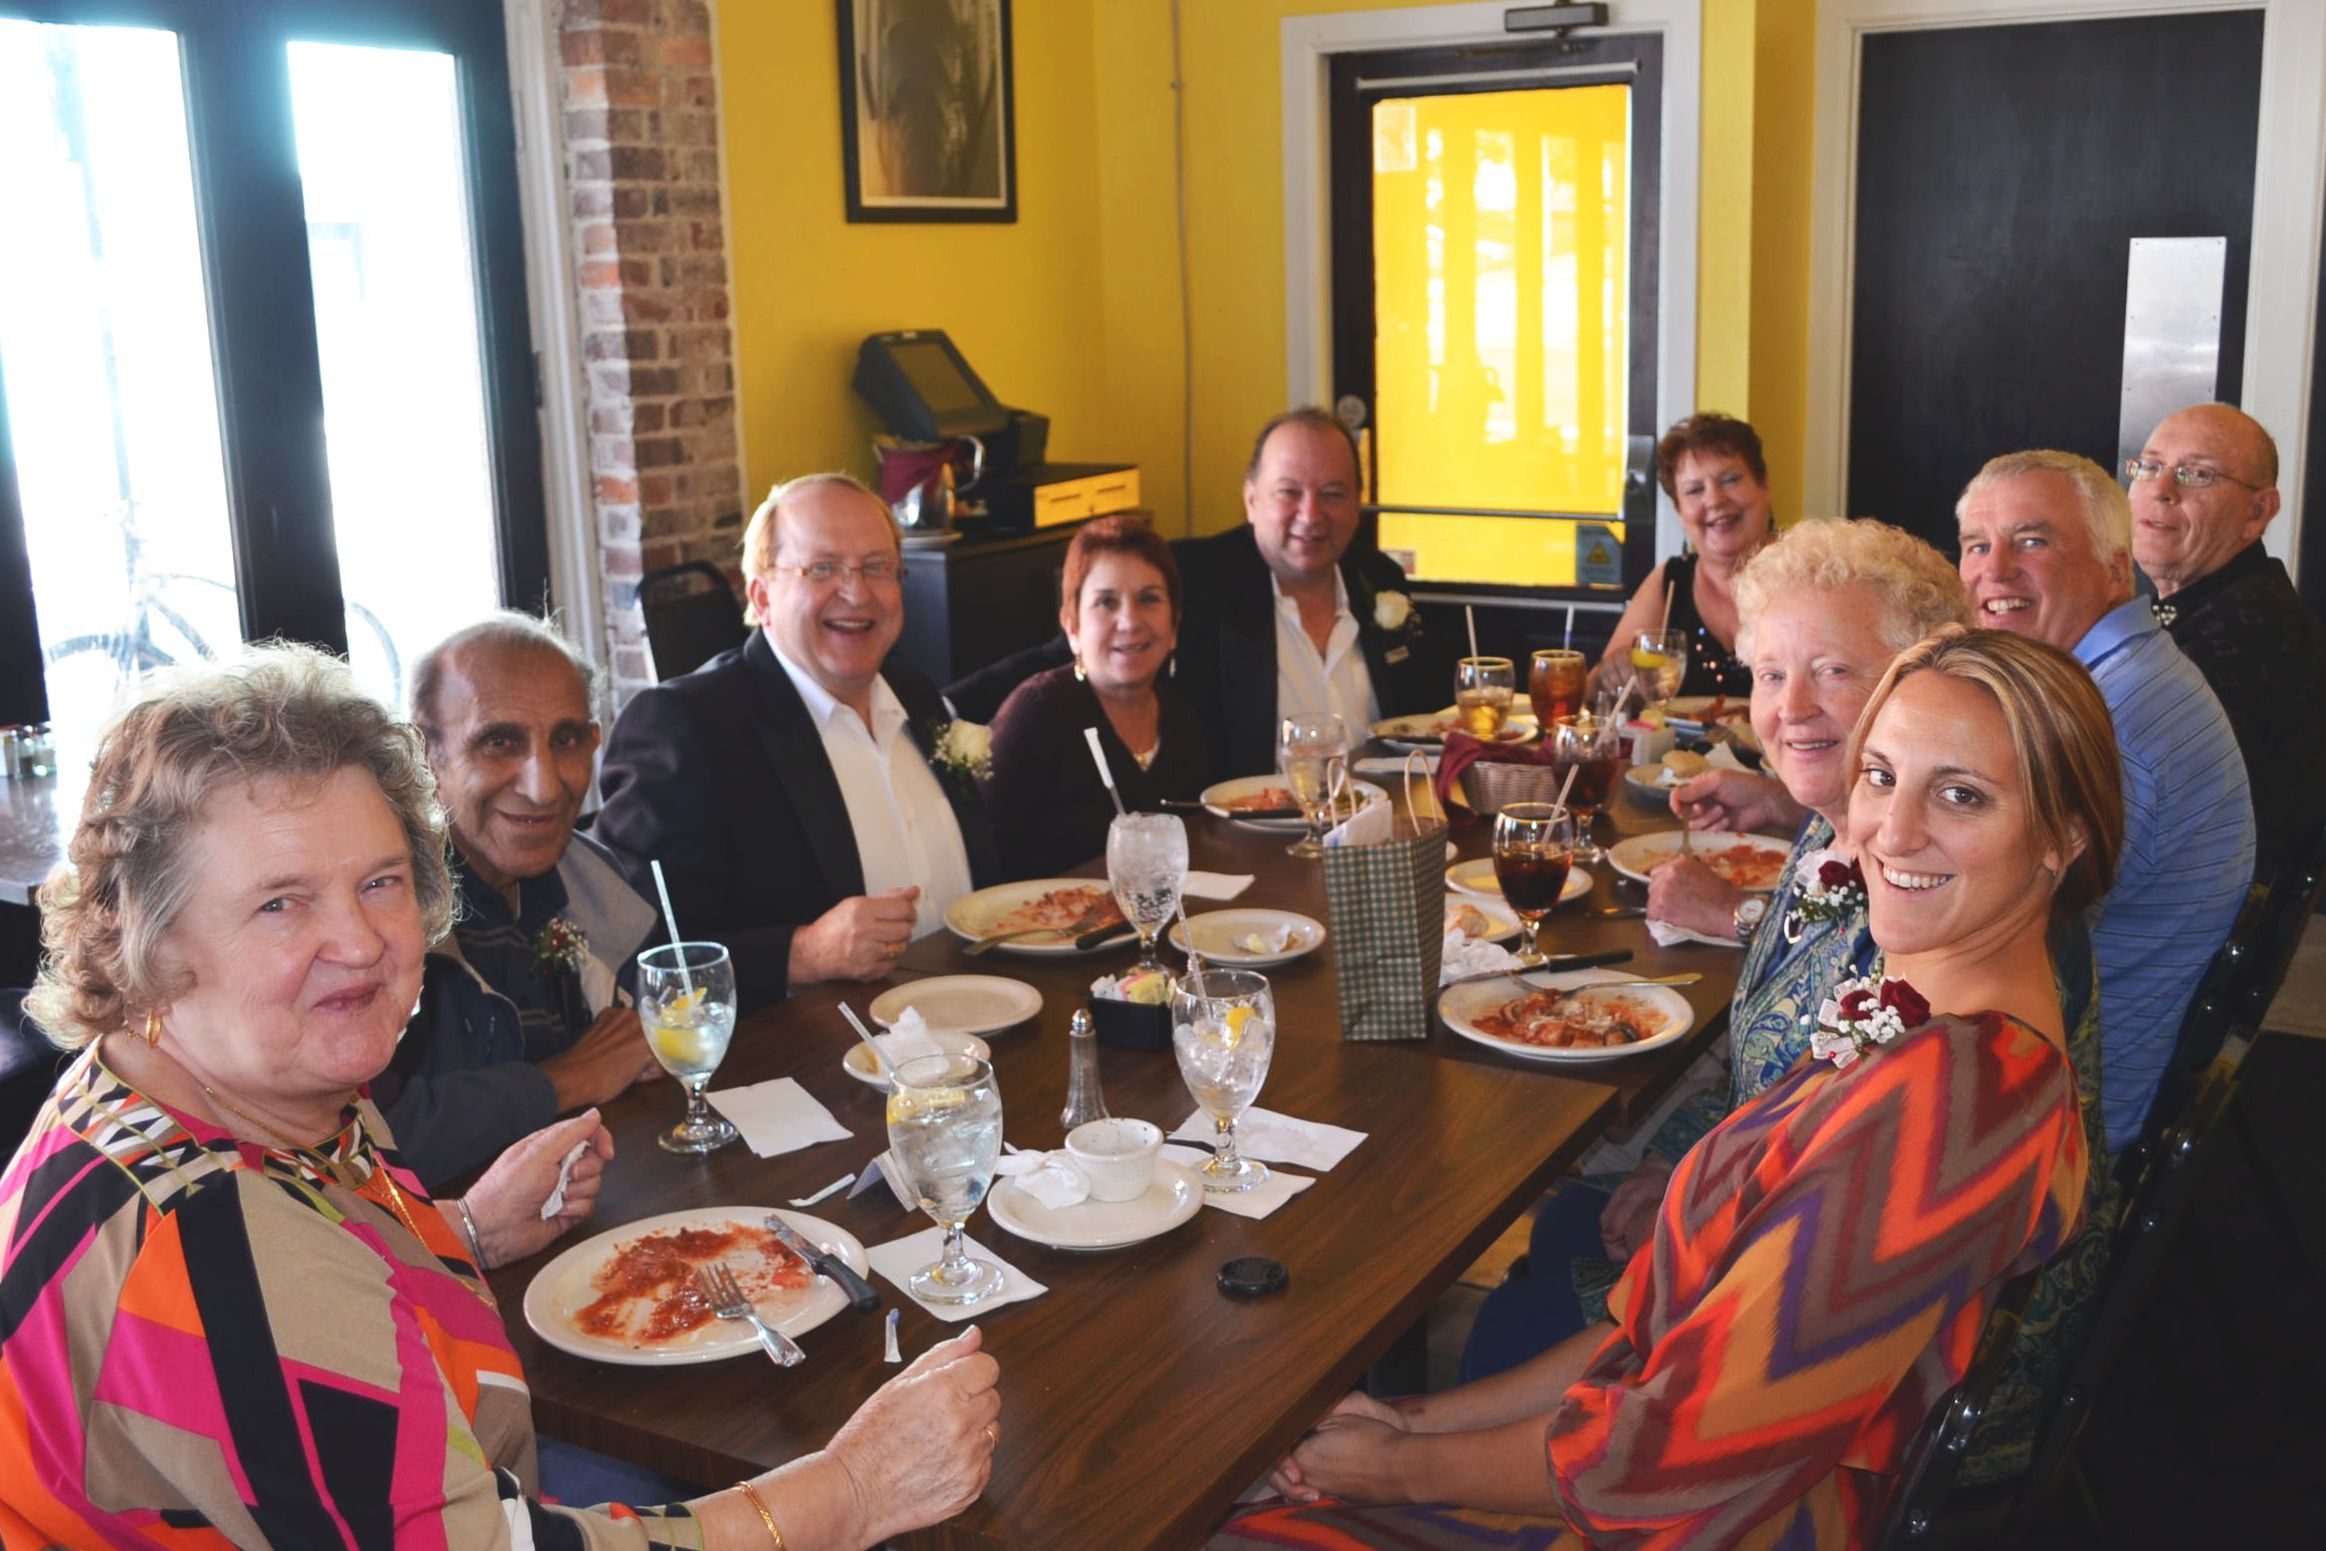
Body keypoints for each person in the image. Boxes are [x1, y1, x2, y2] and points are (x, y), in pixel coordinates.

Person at [0, 646, 1001, 1549]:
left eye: (381, 882)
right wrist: (852, 1490)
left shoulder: (169, 1090)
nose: (360, 941)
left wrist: (463, 1231)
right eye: (280, 901)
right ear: (149, 940)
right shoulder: (217, 1240)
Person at [1216, 627, 2112, 1548]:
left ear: (2065, 835)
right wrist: (1412, 1424)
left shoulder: (1956, 1095)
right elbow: (1657, 1328)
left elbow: (1673, 1453)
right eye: (1881, 775)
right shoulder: (1925, 1021)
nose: (1893, 829)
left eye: (1961, 794)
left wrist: (1398, 1469)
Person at [1462, 519, 1974, 1371]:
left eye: (1833, 670)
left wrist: (1690, 1190)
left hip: (1822, 1324)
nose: (1791, 707)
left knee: (1508, 1325)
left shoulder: (1920, 885)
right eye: (1771, 673)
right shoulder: (1829, 832)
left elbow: (1842, 1199)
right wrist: (1674, 1158)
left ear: (1916, 681)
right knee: (1560, 1227)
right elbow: (1766, 1077)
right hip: (1753, 1212)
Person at [595, 473, 1001, 1012]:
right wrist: (802, 954)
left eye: (877, 567)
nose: (857, 593)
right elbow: (635, 952)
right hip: (818, 1052)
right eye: (823, 568)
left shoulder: (916, 695)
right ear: (762, 596)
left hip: (980, 1019)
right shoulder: (686, 728)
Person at [1959, 449, 2253, 1150]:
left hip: (2065, 1115)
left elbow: (1985, 939)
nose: (1993, 570)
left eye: (2032, 540)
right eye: (1975, 544)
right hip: (2082, 1056)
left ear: (2116, 568)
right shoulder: (2121, 674)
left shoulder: (2109, 727)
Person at [944, 408, 1443, 775]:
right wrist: (938, 712)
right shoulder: (1199, 575)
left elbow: (1419, 718)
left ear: (1357, 504)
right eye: (1288, 493)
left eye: (1332, 493)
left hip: (1381, 822)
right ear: (1251, 499)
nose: (1311, 515)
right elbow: (1071, 653)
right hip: (1247, 839)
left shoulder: (1377, 578)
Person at [373, 613, 664, 1187]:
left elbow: (649, 1028)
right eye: (499, 742)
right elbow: (368, 1142)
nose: (544, 786)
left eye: (566, 741)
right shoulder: (381, 913)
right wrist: (569, 1079)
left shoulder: (593, 877)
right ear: (425, 753)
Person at [2129, 402, 2326, 861]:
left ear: (2257, 512)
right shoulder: (2204, 606)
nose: (2161, 490)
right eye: (2150, 467)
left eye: (2197, 475)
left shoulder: (2252, 632)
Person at [982, 515, 1208, 877]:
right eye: (1107, 602)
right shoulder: (1037, 713)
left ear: (1174, 625)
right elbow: (978, 855)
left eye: (1148, 599)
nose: (1130, 622)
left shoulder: (1183, 719)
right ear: (1072, 626)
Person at [1585, 413, 1774, 703]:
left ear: (1765, 486)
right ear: (1680, 512)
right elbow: (1595, 693)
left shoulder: (1809, 573)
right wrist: (1611, 674)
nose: (1714, 500)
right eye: (1694, 490)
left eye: (1730, 480)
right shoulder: (1672, 581)